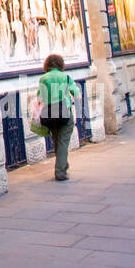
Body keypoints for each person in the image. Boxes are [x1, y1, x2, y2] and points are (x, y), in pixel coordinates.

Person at [37, 52, 80, 181]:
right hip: (64, 112)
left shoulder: (43, 78)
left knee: (57, 140)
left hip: (49, 113)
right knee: (63, 141)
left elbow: (39, 97)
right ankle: (60, 171)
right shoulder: (65, 77)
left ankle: (63, 164)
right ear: (61, 64)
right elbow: (77, 94)